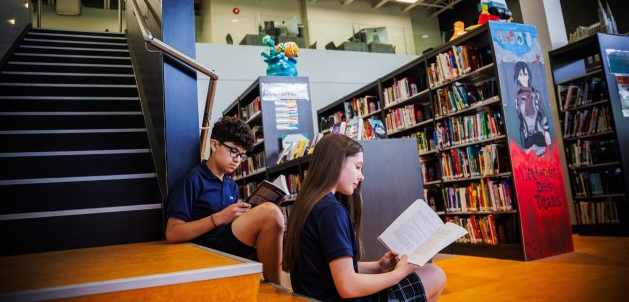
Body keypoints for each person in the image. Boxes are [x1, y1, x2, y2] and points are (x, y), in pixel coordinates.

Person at [283, 134, 446, 301]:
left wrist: (377, 267)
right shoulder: (330, 211)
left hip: (314, 297)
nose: (362, 176)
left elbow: (331, 271)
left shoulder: (308, 205)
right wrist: (398, 274)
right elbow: (348, 286)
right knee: (435, 274)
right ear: (337, 163)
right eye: (358, 167)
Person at [165, 116, 284, 284]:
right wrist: (219, 218)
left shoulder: (232, 186)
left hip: (228, 245)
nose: (237, 160)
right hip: (203, 251)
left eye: (242, 156)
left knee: (272, 214)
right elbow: (172, 233)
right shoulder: (193, 180)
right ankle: (277, 288)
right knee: (271, 212)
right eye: (233, 151)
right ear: (215, 145)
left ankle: (273, 285)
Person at [513, 61, 551, 156]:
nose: (523, 77)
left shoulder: (535, 94)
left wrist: (546, 132)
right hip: (527, 139)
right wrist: (522, 137)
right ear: (517, 77)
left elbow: (543, 114)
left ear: (529, 75)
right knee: (530, 165)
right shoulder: (518, 98)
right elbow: (519, 120)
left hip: (539, 135)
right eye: (520, 74)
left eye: (525, 74)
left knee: (543, 162)